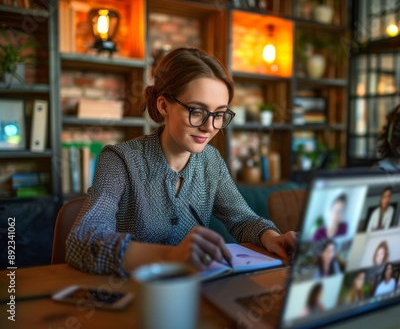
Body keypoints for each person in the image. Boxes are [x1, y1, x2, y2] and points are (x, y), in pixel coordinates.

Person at [65, 48, 297, 277]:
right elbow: (82, 242)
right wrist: (170, 256)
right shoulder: (120, 160)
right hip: (131, 298)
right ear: (164, 105)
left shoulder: (211, 161)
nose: (209, 127)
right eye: (197, 111)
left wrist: (273, 238)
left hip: (196, 293)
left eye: (219, 114)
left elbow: (243, 220)